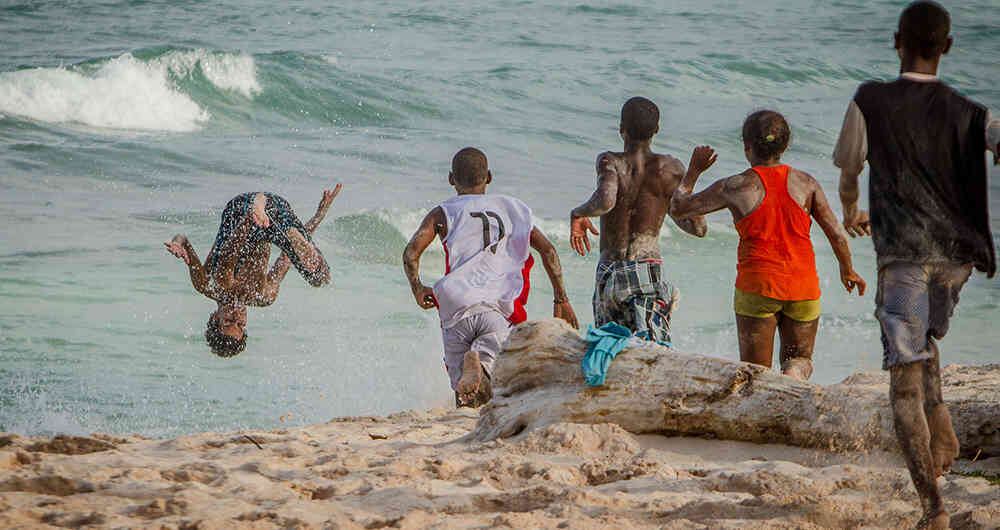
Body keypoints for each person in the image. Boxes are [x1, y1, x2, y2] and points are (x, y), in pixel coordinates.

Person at [833, 2, 1000, 527]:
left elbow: (849, 168)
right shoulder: (973, 113)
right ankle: (940, 410)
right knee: (926, 335)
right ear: (947, 48)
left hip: (904, 252)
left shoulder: (869, 100)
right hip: (957, 259)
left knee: (902, 371)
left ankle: (934, 509)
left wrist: (849, 210)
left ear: (895, 40)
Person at [670, 111, 866, 380]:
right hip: (803, 287)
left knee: (756, 374)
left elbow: (679, 208)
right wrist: (848, 269)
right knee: (800, 359)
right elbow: (837, 234)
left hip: (758, 288)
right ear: (784, 146)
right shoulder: (806, 183)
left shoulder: (735, 186)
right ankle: (794, 374)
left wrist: (693, 172)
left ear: (747, 147)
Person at [403, 147, 578, 407]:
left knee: (463, 393)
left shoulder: (443, 213)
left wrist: (417, 287)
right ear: (490, 177)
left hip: (455, 303)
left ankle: (468, 375)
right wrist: (560, 297)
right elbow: (549, 251)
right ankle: (478, 369)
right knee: (487, 383)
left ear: (451, 179)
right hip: (496, 307)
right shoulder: (512, 209)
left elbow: (411, 252)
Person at [569, 97, 707, 345]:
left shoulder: (610, 161)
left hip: (611, 270)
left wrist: (578, 213)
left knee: (609, 347)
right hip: (647, 270)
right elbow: (697, 227)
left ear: (621, 128)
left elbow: (606, 201)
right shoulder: (671, 169)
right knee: (652, 351)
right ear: (656, 130)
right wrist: (691, 177)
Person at [165, 186, 341, 357]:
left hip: (240, 210)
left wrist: (177, 244)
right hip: (273, 216)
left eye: (228, 321)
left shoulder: (207, 285)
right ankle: (286, 228)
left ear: (214, 318)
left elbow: (187, 240)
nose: (237, 315)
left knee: (224, 283)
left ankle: (259, 204)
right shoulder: (264, 296)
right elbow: (287, 258)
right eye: (240, 324)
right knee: (318, 277)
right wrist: (320, 214)